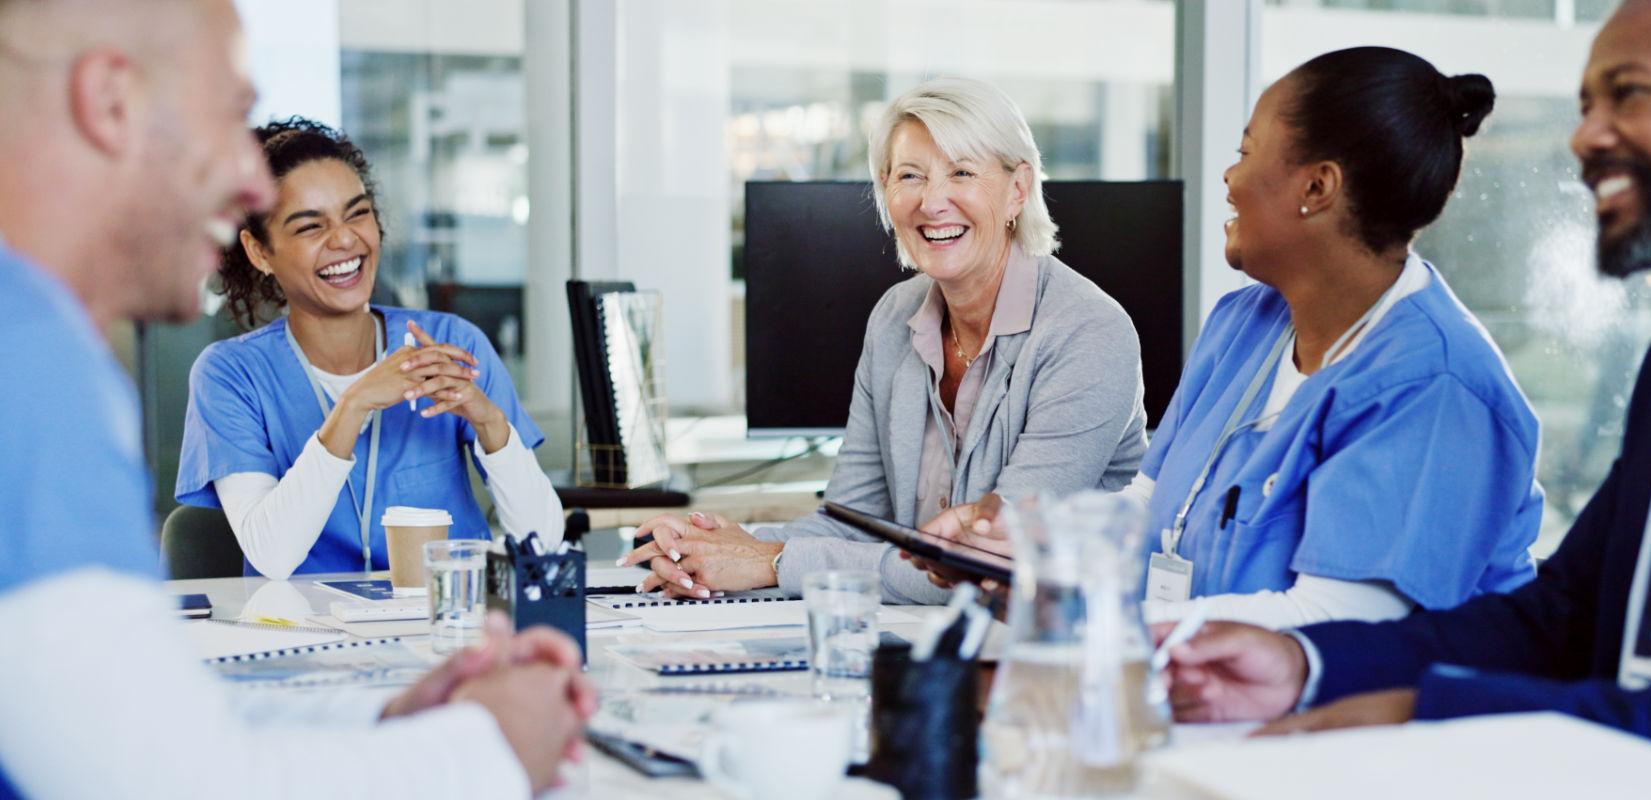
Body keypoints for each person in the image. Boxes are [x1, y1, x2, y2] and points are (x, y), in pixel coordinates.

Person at [1159, 2, 1651, 797]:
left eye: (1630, 94)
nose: (1585, 137)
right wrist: (1306, 665)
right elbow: (1564, 616)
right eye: (1588, 105)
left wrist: (1432, 711)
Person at [0, 0, 589, 796]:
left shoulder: (45, 345)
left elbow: (142, 727)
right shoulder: (30, 370)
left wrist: (387, 724)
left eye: (354, 213)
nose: (249, 178)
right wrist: (490, 751)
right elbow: (149, 780)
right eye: (229, 114)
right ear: (112, 104)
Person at [924, 48, 1543, 630]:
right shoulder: (1244, 324)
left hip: (1381, 729)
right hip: (1215, 698)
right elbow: (1148, 510)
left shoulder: (1432, 384)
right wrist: (1021, 547)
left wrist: (1097, 616)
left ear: (1317, 188)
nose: (1228, 177)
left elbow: (1336, 622)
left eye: (1246, 153)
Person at [616, 77, 1149, 604]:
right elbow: (854, 521)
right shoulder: (896, 317)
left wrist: (770, 561)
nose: (932, 201)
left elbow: (989, 567)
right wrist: (712, 548)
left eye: (961, 172)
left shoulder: (1088, 333)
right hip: (930, 641)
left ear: (1018, 189)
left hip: (1057, 656)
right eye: (910, 176)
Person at [174, 118, 564, 579]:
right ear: (260, 253)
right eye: (309, 227)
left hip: (445, 626)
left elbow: (543, 541)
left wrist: (489, 421)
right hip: (303, 633)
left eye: (357, 213)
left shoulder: (450, 345)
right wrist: (356, 403)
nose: (344, 239)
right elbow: (272, 556)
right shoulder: (230, 375)